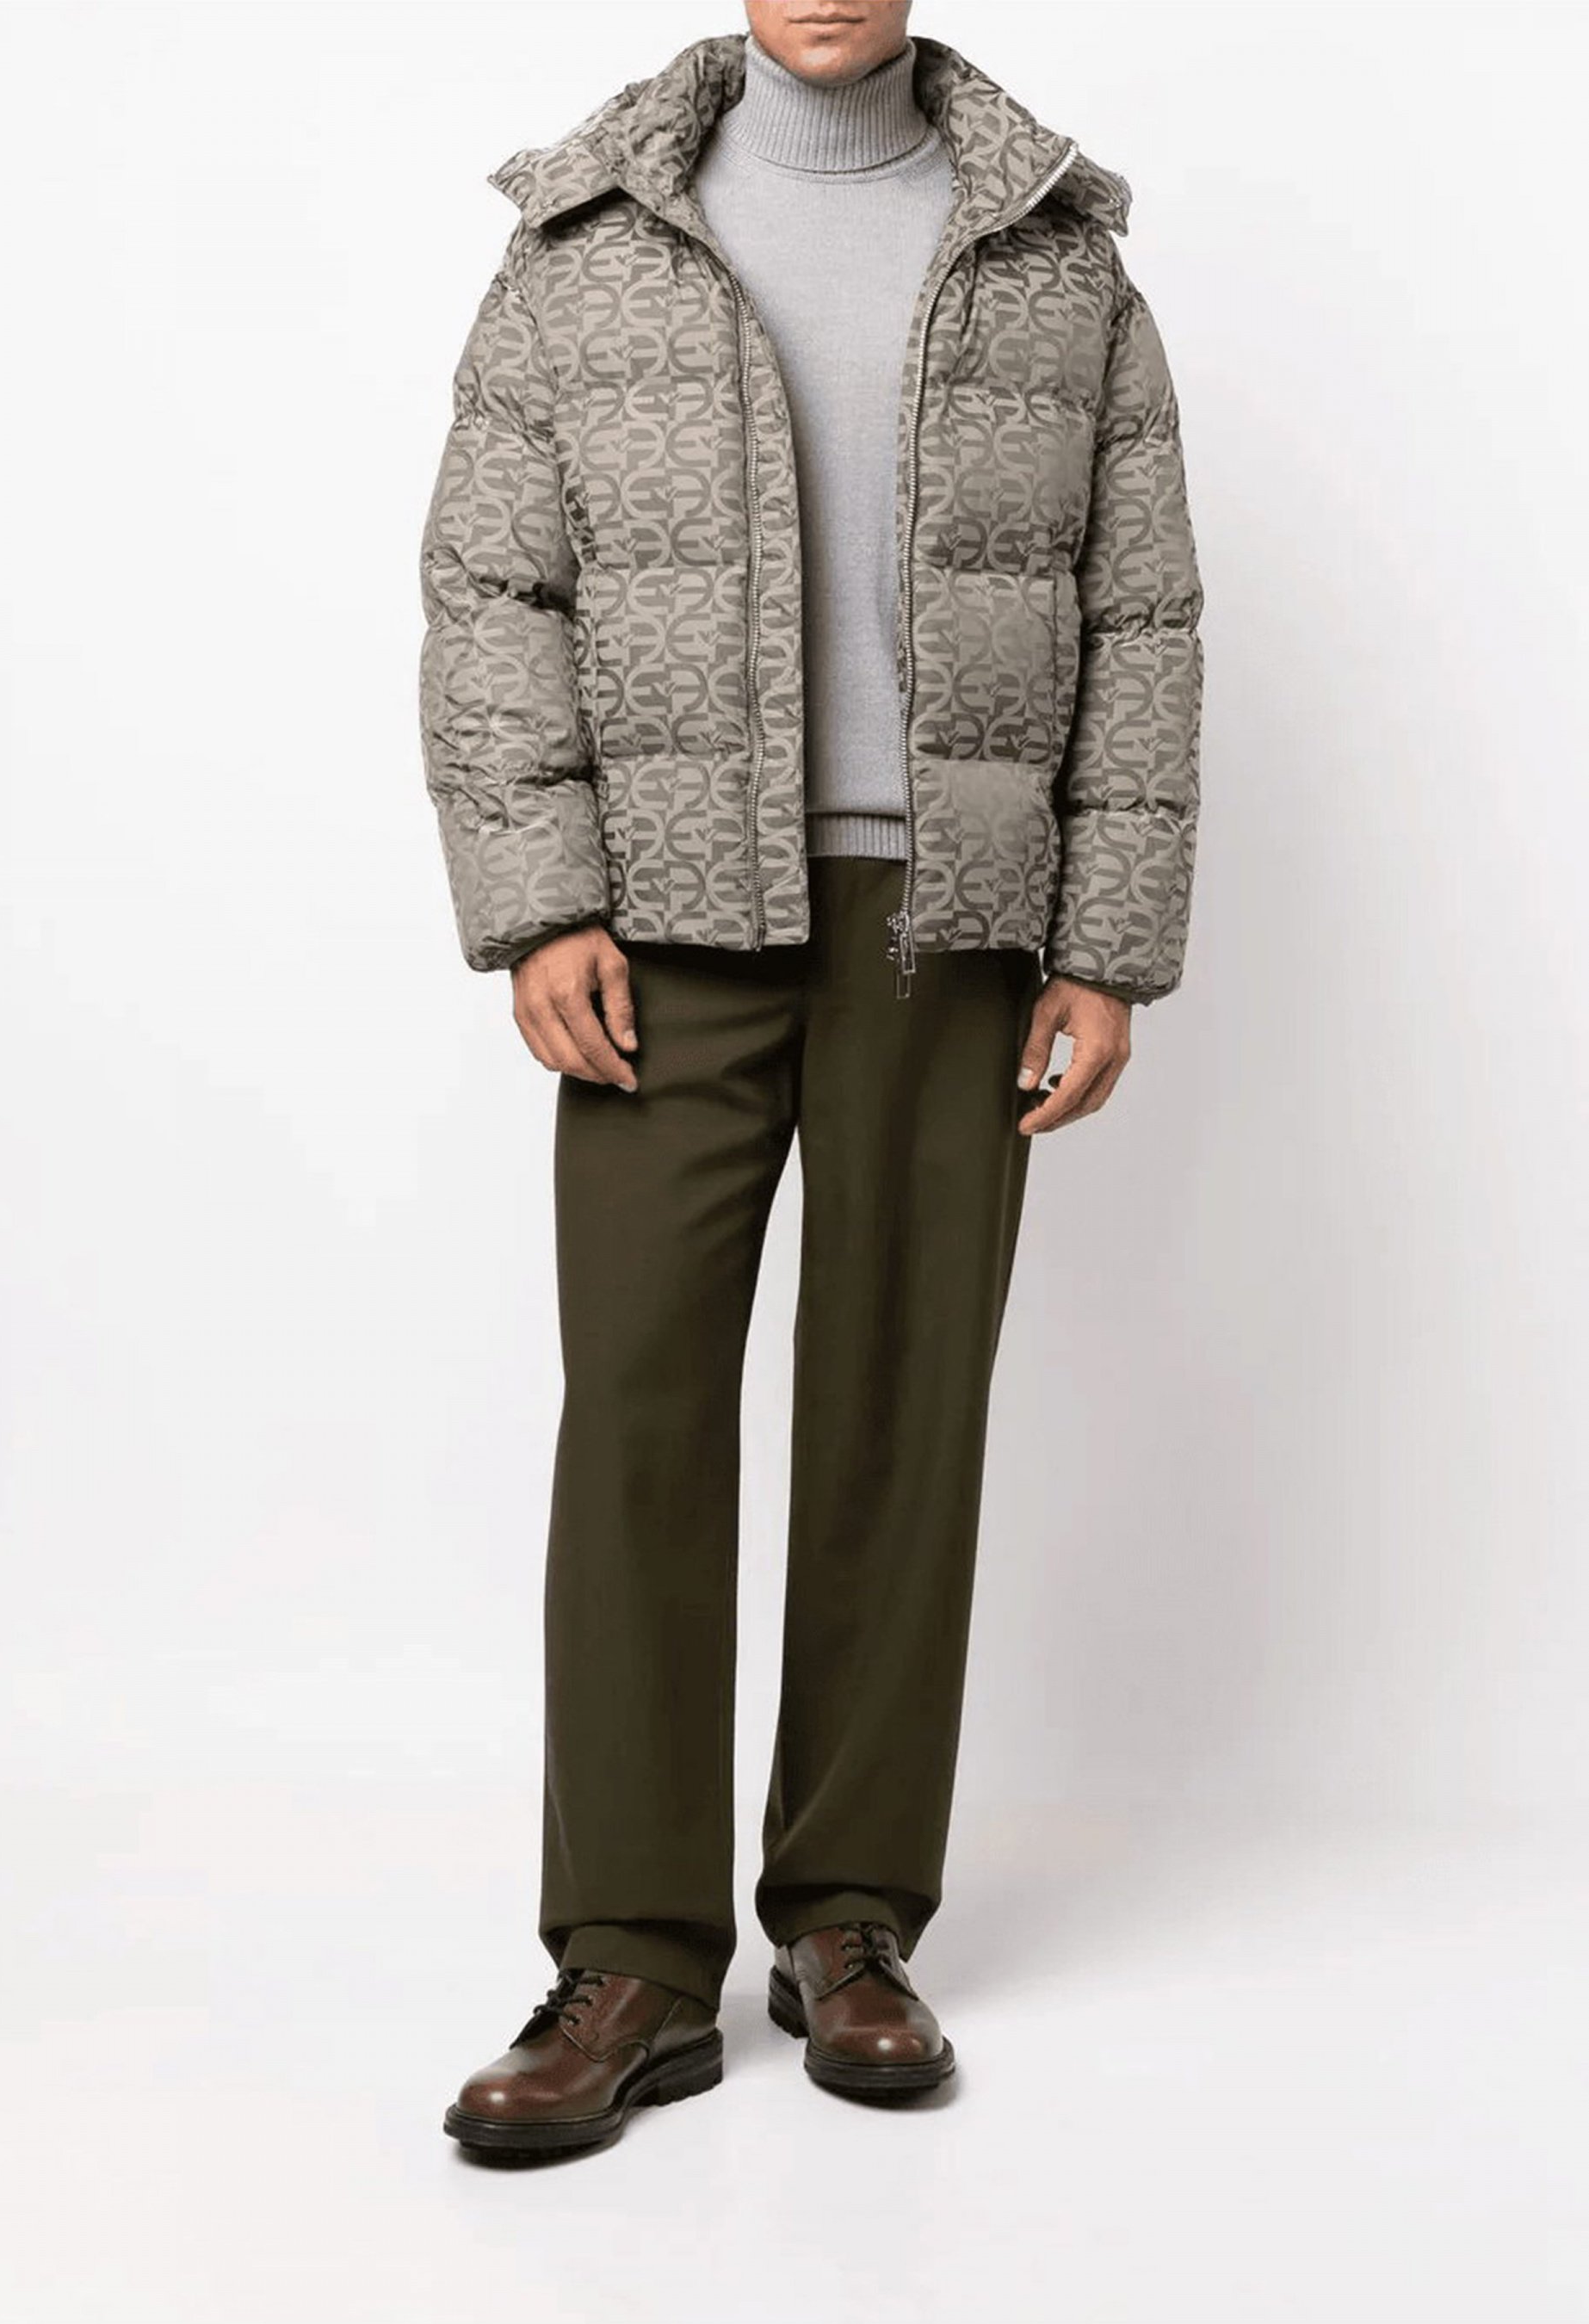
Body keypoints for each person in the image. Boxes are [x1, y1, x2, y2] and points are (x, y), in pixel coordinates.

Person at [419, 0, 1202, 2160]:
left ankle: (849, 1919)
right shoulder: (586, 235)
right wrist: (537, 899)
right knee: (641, 1408)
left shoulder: (1050, 246)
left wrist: (1105, 941)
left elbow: (1140, 612)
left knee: (896, 1402)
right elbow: (489, 587)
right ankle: (630, 1959)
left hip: (949, 920)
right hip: (660, 918)